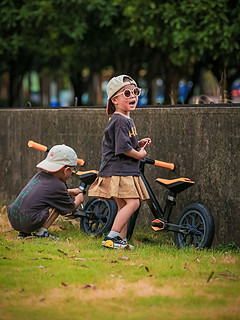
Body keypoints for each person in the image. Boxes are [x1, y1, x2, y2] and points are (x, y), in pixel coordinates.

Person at [88, 74, 151, 249]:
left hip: (119, 169)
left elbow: (123, 143)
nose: (133, 96)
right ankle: (112, 236)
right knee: (133, 203)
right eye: (127, 93)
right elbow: (122, 149)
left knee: (123, 204)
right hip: (119, 170)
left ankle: (120, 241)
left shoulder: (125, 119)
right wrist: (139, 155)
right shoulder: (120, 120)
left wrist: (137, 144)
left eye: (136, 92)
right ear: (114, 99)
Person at [7, 144, 83, 239]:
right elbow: (70, 208)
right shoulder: (58, 185)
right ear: (66, 170)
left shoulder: (39, 176)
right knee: (58, 205)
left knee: (40, 203)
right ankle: (41, 233)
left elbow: (48, 193)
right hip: (29, 221)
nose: (72, 173)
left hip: (14, 218)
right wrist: (79, 198)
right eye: (73, 170)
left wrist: (71, 191)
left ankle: (23, 233)